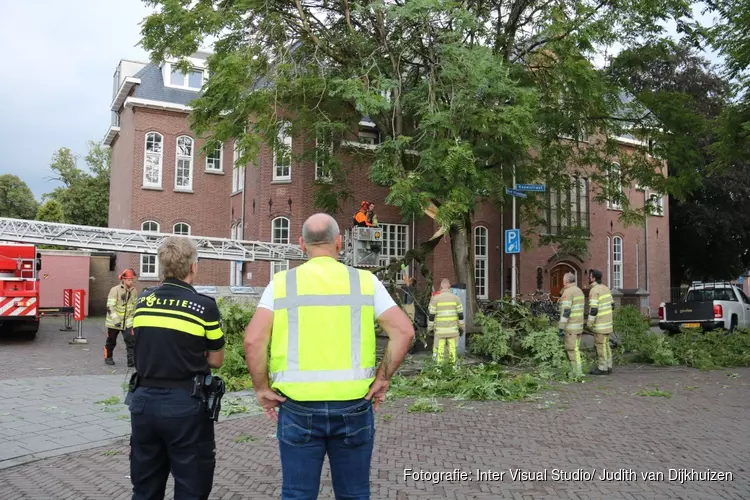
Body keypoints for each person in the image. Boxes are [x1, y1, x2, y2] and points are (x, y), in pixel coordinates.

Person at [244, 213, 414, 500]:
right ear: (339, 243)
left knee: (297, 494)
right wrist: (382, 379)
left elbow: (253, 339)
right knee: (355, 494)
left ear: (302, 244)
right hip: (354, 406)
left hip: (297, 407)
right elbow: (404, 332)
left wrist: (262, 388)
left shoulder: (282, 283)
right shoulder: (366, 281)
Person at [127, 236, 226, 500]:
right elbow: (216, 360)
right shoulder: (204, 306)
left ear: (163, 268)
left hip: (143, 403)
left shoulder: (143, 301)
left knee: (145, 488)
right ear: (193, 267)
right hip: (185, 405)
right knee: (191, 487)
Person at [105, 268, 138, 367]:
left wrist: (133, 320)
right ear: (123, 279)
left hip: (128, 321)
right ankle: (108, 357)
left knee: (131, 341)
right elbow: (110, 306)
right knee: (111, 341)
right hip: (114, 322)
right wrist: (116, 320)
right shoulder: (115, 290)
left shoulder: (134, 291)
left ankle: (131, 361)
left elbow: (134, 306)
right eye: (128, 280)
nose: (131, 282)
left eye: (132, 280)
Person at [427, 278, 464, 365]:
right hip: (453, 330)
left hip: (440, 331)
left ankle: (439, 368)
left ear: (441, 287)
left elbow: (431, 316)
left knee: (439, 347)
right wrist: (461, 327)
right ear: (449, 286)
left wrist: (430, 328)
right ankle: (453, 367)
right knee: (452, 347)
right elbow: (460, 315)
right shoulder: (456, 298)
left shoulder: (435, 299)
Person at [586, 269, 614, 375]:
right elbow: (612, 305)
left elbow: (594, 309)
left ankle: (602, 368)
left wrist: (589, 323)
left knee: (600, 345)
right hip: (608, 323)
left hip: (600, 325)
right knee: (606, 345)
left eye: (590, 276)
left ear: (593, 278)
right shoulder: (606, 288)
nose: (588, 278)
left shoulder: (594, 290)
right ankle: (609, 365)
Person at [558, 272, 585, 377]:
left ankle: (576, 372)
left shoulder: (568, 292)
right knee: (576, 349)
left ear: (566, 281)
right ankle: (577, 371)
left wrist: (561, 327)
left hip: (571, 327)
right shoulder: (579, 291)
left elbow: (566, 311)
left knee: (572, 349)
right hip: (579, 325)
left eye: (563, 280)